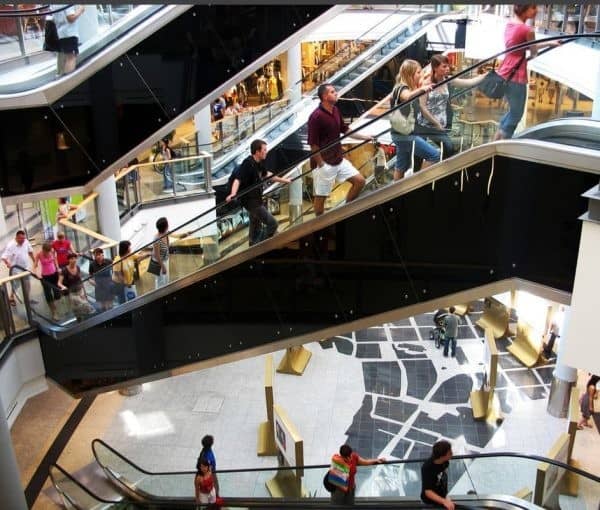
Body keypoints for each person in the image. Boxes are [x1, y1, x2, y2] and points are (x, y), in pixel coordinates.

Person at [494, 5, 560, 140]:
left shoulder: (511, 24)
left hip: (505, 71)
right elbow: (534, 52)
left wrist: (549, 43)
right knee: (517, 113)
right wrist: (547, 44)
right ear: (524, 8)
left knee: (512, 112)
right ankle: (501, 146)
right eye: (533, 7)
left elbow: (524, 47)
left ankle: (494, 142)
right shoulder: (527, 29)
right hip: (517, 75)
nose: (536, 10)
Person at [307, 83, 370, 216]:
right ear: (324, 96)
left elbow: (345, 130)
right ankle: (319, 227)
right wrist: (321, 164)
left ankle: (345, 213)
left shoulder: (335, 110)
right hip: (324, 163)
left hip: (338, 159)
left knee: (360, 181)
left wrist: (364, 137)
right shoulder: (315, 117)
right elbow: (313, 145)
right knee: (321, 199)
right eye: (332, 92)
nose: (336, 93)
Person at [417, 54, 485, 158]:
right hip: (427, 125)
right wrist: (436, 124)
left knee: (444, 150)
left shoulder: (447, 79)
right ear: (435, 68)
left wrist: (485, 76)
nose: (447, 68)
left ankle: (438, 169)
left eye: (447, 66)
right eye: (444, 66)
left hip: (440, 124)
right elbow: (422, 107)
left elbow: (468, 83)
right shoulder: (426, 84)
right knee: (448, 148)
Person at [226, 139, 291, 246]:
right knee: (273, 224)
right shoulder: (248, 163)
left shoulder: (258, 163)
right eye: (264, 150)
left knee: (255, 225)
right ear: (257, 152)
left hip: (256, 199)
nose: (267, 152)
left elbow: (268, 175)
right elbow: (238, 179)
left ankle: (253, 243)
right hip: (251, 202)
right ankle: (260, 245)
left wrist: (284, 180)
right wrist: (233, 194)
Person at [389, 60, 441, 181]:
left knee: (401, 166)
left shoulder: (409, 87)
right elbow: (407, 96)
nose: (420, 75)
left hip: (401, 133)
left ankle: (396, 193)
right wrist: (423, 89)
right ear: (409, 74)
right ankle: (418, 185)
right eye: (418, 72)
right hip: (404, 135)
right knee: (434, 155)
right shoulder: (400, 88)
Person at [1, 230, 36, 306]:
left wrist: (34, 260)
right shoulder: (11, 245)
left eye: (24, 238)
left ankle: (28, 299)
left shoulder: (26, 241)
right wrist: (8, 264)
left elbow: (30, 251)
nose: (23, 240)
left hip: (26, 268)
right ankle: (11, 297)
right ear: (17, 237)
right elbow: (3, 257)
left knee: (27, 284)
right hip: (16, 270)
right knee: (16, 285)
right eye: (21, 239)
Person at [58, 253, 94, 320]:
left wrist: (84, 291)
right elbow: (59, 283)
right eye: (72, 259)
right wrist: (63, 287)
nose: (74, 260)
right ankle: (79, 320)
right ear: (68, 260)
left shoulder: (77, 267)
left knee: (84, 305)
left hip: (80, 290)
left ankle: (87, 320)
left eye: (75, 258)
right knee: (78, 307)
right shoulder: (64, 270)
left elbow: (80, 279)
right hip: (72, 292)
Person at [421, 440, 455, 510]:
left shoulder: (445, 462)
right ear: (442, 456)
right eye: (450, 453)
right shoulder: (427, 468)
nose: (452, 454)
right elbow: (428, 492)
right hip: (430, 503)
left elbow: (442, 477)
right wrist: (444, 501)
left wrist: (445, 496)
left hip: (441, 499)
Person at [53, 5, 85, 75]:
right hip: (69, 33)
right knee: (71, 57)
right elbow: (70, 18)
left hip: (61, 32)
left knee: (65, 57)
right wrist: (80, 10)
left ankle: (61, 76)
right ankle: (69, 80)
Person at [34, 242, 61, 319]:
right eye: (46, 252)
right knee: (48, 294)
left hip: (54, 274)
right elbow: (35, 265)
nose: (47, 253)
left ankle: (55, 306)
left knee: (57, 293)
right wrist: (36, 273)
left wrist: (58, 267)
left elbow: (55, 260)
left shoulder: (52, 251)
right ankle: (54, 311)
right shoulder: (39, 254)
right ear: (43, 250)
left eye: (48, 251)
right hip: (45, 277)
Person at [151, 217, 170, 288]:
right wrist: (163, 266)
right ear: (165, 226)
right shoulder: (156, 239)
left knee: (166, 280)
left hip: (165, 260)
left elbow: (175, 235)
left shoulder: (166, 233)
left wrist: (185, 234)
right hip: (158, 263)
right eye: (167, 224)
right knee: (160, 282)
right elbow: (157, 255)